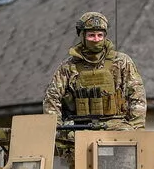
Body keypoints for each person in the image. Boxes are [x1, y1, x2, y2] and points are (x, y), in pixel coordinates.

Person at [44, 11, 146, 160]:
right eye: (91, 35)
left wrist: (136, 130)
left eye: (100, 35)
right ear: (82, 36)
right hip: (79, 126)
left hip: (116, 125)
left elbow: (137, 95)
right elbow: (51, 99)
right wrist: (58, 129)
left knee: (125, 168)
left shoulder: (121, 62)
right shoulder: (68, 67)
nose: (96, 39)